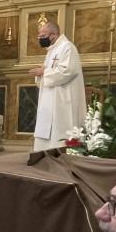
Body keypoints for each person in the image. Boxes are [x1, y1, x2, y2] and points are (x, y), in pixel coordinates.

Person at [29, 21, 85, 151]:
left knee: (60, 130)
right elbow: (50, 71)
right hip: (50, 97)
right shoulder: (52, 50)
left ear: (53, 35)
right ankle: (44, 157)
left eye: (42, 36)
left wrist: (43, 72)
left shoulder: (67, 47)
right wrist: (42, 72)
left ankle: (60, 157)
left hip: (62, 99)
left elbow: (68, 71)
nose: (40, 39)